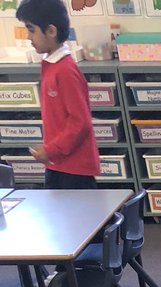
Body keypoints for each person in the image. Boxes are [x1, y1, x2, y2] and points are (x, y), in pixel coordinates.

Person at [15, 0, 100, 188]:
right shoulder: (51, 65)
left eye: (31, 30)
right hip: (58, 162)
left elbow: (80, 121)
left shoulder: (65, 70)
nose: (29, 37)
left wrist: (52, 149)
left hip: (74, 168)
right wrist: (50, 151)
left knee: (77, 216)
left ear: (51, 31)